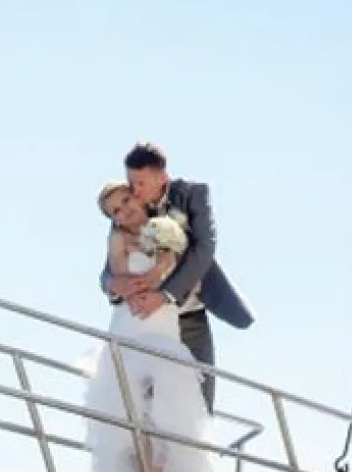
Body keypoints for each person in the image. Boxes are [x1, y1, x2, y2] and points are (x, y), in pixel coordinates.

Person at [81, 180, 226, 472]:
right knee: (130, 418)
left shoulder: (167, 227)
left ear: (136, 196)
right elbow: (113, 276)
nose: (122, 212)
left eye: (125, 201)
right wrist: (131, 283)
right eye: (114, 210)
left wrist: (157, 274)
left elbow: (177, 264)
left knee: (165, 420)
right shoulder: (116, 239)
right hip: (131, 325)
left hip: (161, 324)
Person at [100, 142, 252, 412]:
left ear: (162, 177)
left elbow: (204, 249)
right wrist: (114, 284)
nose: (133, 191)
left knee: (200, 403)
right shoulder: (126, 212)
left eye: (140, 183)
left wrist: (164, 295)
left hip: (191, 315)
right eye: (130, 183)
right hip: (148, 322)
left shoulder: (192, 195)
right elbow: (108, 270)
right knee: (144, 405)